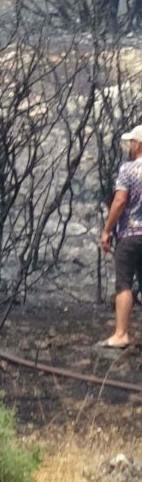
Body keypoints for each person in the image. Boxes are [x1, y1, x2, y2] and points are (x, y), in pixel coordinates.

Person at [98, 125, 142, 349]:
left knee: (124, 282)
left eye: (132, 142)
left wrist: (107, 229)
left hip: (130, 234)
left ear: (138, 145)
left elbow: (120, 201)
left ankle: (121, 334)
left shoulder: (128, 170)